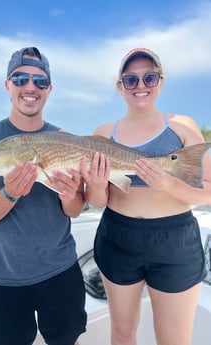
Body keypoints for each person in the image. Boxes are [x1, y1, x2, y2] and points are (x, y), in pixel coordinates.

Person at [81, 47, 211, 345]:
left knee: (174, 339)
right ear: (120, 86)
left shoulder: (183, 127)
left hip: (175, 242)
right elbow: (96, 201)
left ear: (160, 82)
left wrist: (169, 185)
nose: (141, 86)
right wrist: (97, 185)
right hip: (117, 237)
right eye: (131, 80)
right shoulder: (102, 133)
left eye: (149, 78)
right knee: (123, 333)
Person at [0, 47, 87, 345]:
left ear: (49, 89)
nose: (30, 87)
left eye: (39, 81)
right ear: (7, 85)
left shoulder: (68, 140)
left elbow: (76, 209)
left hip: (61, 272)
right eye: (20, 79)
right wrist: (9, 193)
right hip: (3, 280)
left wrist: (71, 196)